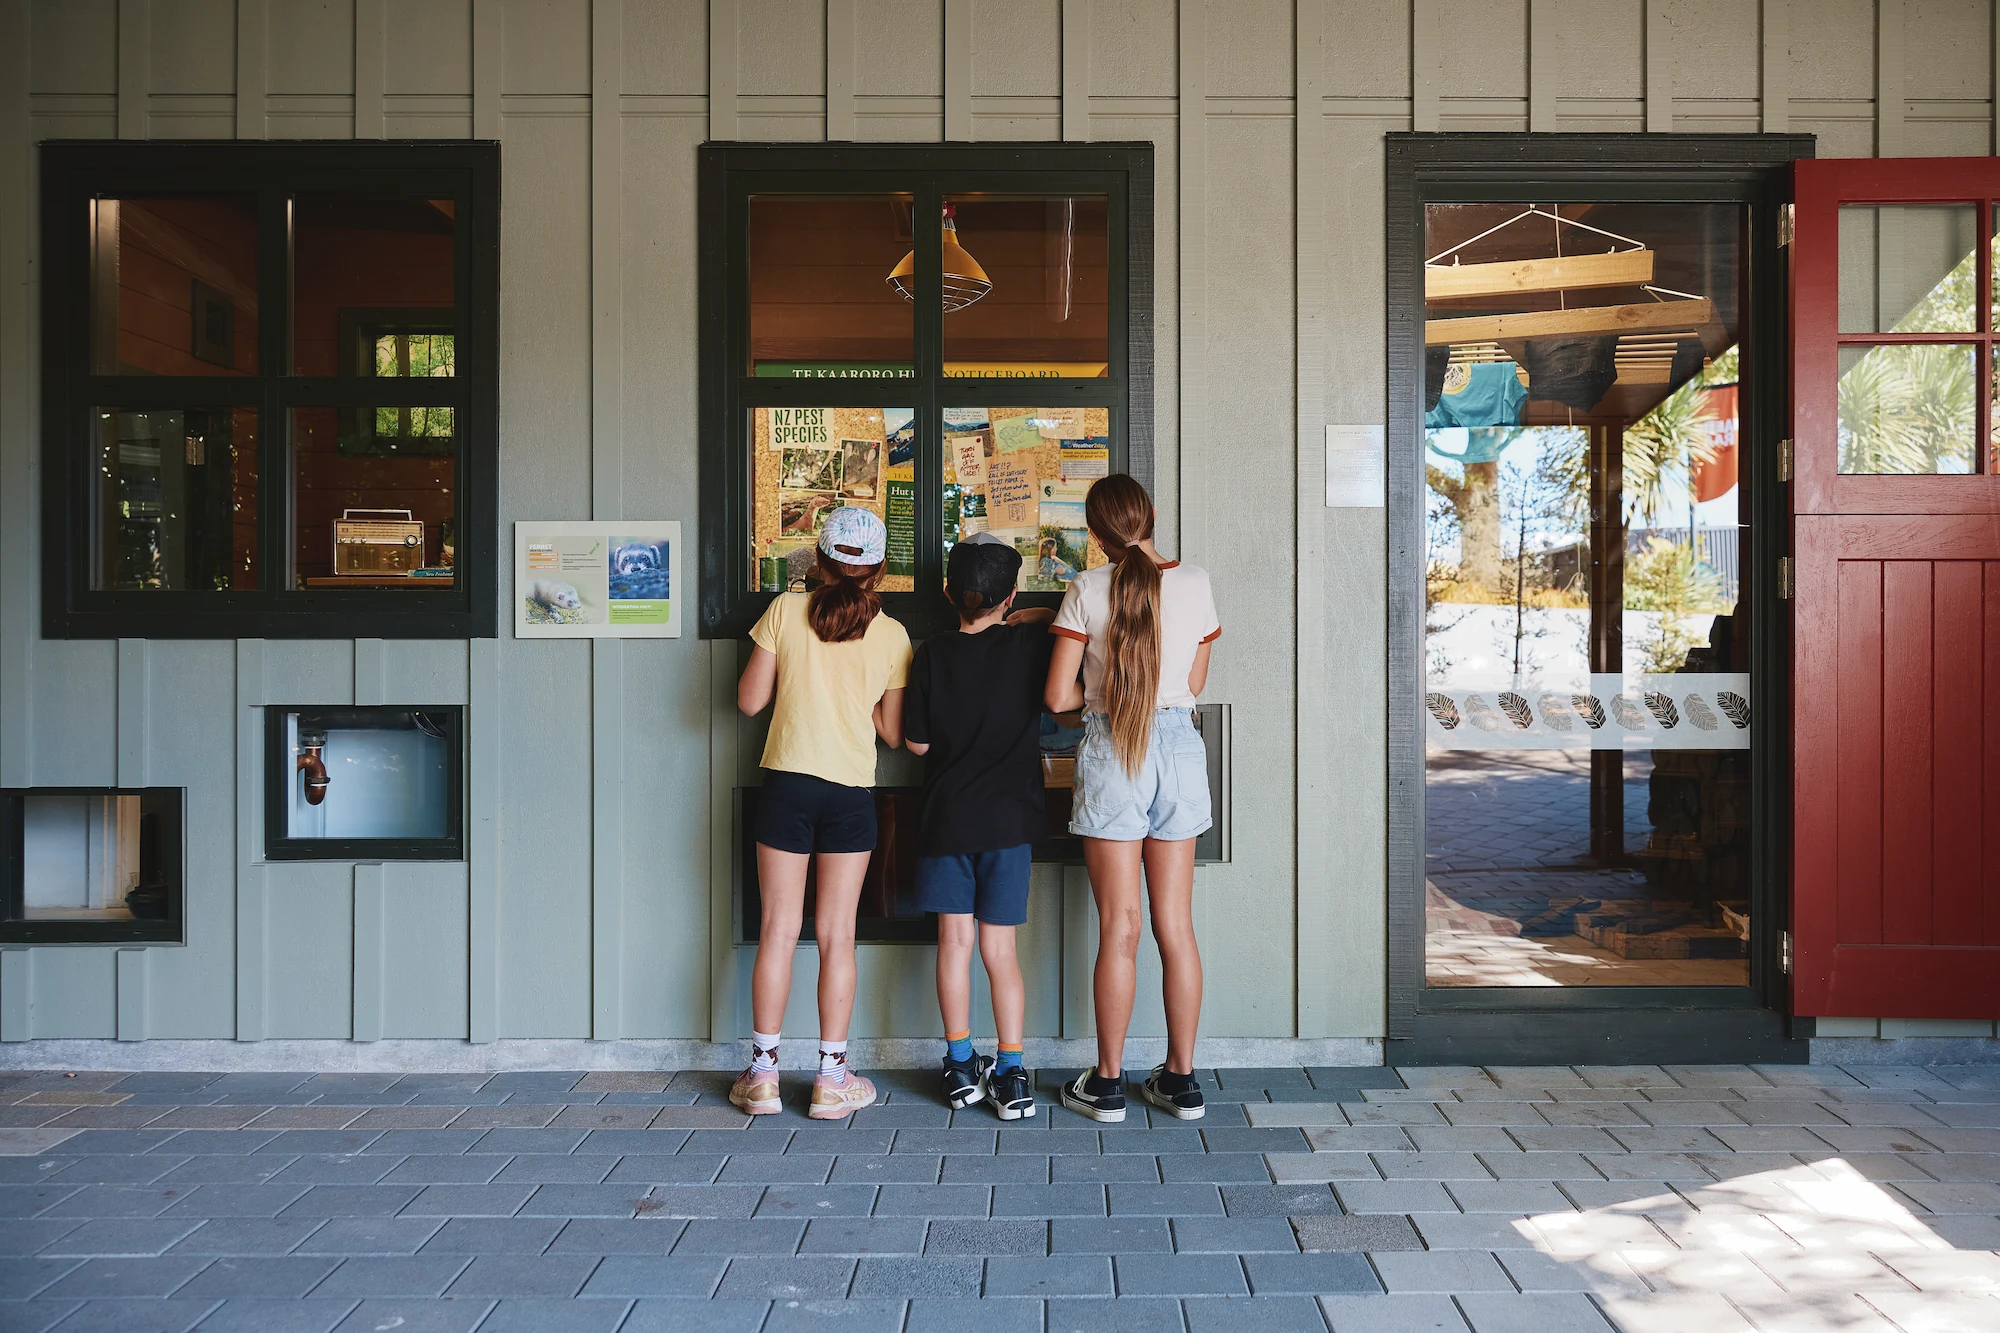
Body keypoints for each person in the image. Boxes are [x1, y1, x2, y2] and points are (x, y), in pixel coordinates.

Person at [1044, 474, 1220, 1122]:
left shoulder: (1086, 590)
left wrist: (1094, 704)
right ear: (1149, 516)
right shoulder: (1196, 582)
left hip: (1113, 744)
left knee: (1120, 927)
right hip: (1178, 749)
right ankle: (1180, 1080)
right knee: (1176, 926)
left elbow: (1059, 697)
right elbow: (1196, 679)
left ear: (1095, 535)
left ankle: (1109, 1084)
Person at [733, 507, 911, 1120]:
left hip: (786, 785)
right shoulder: (892, 634)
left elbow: (750, 700)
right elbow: (892, 734)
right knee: (838, 936)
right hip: (849, 795)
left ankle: (762, 1075)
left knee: (779, 929)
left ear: (819, 557)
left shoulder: (784, 612)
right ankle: (832, 1078)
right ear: (879, 568)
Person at [902, 534, 1055, 1120]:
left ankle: (961, 1066)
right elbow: (1060, 617)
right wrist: (1025, 612)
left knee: (955, 944)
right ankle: (1012, 1070)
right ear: (1011, 596)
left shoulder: (932, 654)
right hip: (1010, 823)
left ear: (947, 594)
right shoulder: (1027, 646)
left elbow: (916, 741)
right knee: (1000, 950)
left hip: (946, 819)